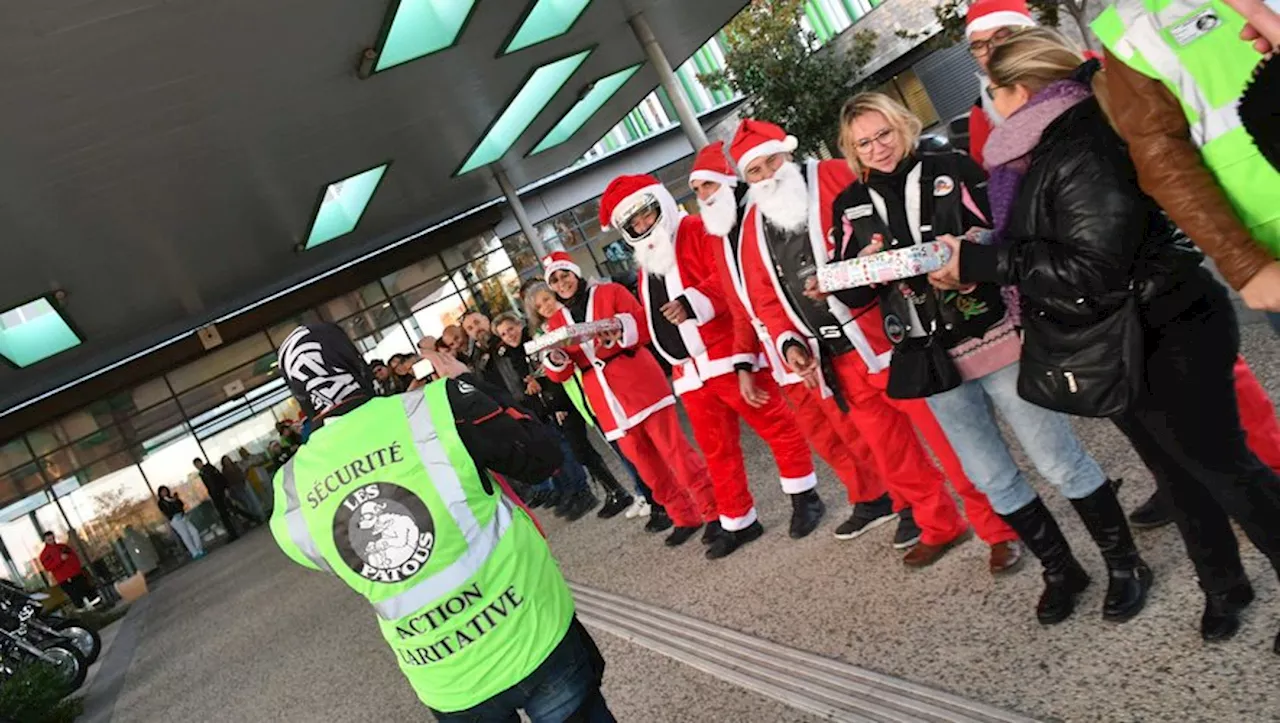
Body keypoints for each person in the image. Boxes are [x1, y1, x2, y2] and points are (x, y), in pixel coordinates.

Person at [931, 28, 1280, 650]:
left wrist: (984, 264)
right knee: (1173, 472)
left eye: (991, 89)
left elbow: (1094, 266)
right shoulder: (1035, 146)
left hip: (1165, 326)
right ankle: (1224, 583)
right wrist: (985, 251)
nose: (987, 104)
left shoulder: (1080, 140)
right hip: (1115, 335)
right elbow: (1057, 241)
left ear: (1017, 90)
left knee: (1226, 470)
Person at [966, 0, 1280, 531]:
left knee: (1222, 427)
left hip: (1160, 289)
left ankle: (1259, 467)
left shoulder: (1090, 86)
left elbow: (1120, 206)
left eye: (1001, 38)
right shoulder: (996, 116)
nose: (990, 51)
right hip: (1121, 302)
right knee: (1185, 447)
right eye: (979, 44)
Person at [832, 92, 1141, 620]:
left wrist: (970, 245)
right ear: (851, 150)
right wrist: (844, 275)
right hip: (929, 358)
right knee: (991, 477)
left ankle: (1124, 563)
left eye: (883, 134)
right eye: (864, 142)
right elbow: (855, 291)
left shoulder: (950, 166)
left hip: (993, 334)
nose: (878, 148)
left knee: (1057, 460)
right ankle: (1061, 569)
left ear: (902, 126)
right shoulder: (848, 205)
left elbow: (1007, 233)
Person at [269, 323, 612, 721]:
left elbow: (329, 557)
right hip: (532, 631)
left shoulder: (290, 488)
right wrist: (470, 383)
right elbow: (543, 456)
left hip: (447, 677)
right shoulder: (440, 404)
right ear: (358, 365)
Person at [730, 118, 1014, 568]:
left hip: (891, 340)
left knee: (951, 442)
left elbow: (890, 228)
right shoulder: (751, 225)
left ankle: (999, 526)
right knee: (896, 457)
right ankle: (939, 523)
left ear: (788, 153)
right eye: (755, 172)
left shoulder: (833, 176)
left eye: (772, 162)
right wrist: (789, 343)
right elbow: (763, 295)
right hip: (836, 361)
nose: (767, 176)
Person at [690, 141, 908, 546]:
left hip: (814, 336)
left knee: (854, 426)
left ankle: (899, 495)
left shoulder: (766, 212)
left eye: (706, 186)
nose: (702, 196)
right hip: (780, 352)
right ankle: (868, 497)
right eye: (697, 190)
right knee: (824, 434)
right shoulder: (722, 237)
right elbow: (742, 306)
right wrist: (743, 364)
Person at [601, 173, 826, 558]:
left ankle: (805, 496)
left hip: (726, 354)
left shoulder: (696, 230)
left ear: (660, 204)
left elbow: (727, 281)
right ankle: (738, 520)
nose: (642, 225)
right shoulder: (645, 264)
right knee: (717, 452)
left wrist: (693, 303)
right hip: (689, 373)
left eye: (645, 215)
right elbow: (653, 320)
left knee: (775, 425)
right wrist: (621, 331)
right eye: (633, 223)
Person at [540, 250, 719, 548]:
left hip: (639, 382)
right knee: (646, 467)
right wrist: (556, 357)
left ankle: (713, 512)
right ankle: (682, 515)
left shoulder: (611, 291)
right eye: (555, 280)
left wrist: (618, 328)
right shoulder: (557, 321)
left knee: (677, 453)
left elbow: (644, 325)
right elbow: (560, 373)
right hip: (606, 400)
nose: (562, 283)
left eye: (565, 275)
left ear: (575, 273)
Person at [524, 282, 664, 529]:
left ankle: (653, 496)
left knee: (636, 449)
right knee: (624, 451)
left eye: (547, 299)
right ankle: (646, 493)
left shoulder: (575, 318)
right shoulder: (544, 335)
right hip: (586, 401)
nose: (545, 306)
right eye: (539, 306)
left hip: (605, 392)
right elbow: (559, 374)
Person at [493, 312, 636, 519]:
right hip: (551, 408)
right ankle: (613, 490)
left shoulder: (536, 341)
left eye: (511, 329)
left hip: (567, 400)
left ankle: (625, 490)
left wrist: (550, 397)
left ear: (519, 324)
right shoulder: (513, 355)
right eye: (504, 335)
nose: (509, 336)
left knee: (594, 445)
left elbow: (553, 372)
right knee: (581, 451)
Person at [193, 457, 256, 540]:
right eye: (196, 465)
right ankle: (239, 528)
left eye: (198, 464)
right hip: (216, 496)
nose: (197, 466)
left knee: (230, 511)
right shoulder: (202, 473)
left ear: (201, 462)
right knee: (228, 512)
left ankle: (240, 528)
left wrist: (225, 489)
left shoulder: (209, 469)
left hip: (220, 493)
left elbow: (220, 478)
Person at [39, 532, 96, 608]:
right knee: (76, 597)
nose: (52, 540)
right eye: (49, 539)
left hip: (76, 574)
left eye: (52, 538)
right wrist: (60, 560)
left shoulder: (63, 547)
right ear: (45, 540)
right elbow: (48, 567)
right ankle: (84, 610)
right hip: (64, 579)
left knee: (88, 591)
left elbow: (74, 557)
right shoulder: (44, 555)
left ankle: (98, 605)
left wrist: (77, 568)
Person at [157, 486, 205, 559]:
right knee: (185, 536)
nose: (164, 492)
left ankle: (199, 549)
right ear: (160, 493)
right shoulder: (161, 502)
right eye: (162, 492)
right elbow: (166, 511)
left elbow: (181, 504)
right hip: (175, 520)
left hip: (182, 517)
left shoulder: (173, 498)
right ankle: (194, 552)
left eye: (165, 490)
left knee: (194, 532)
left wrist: (176, 500)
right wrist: (173, 512)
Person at [222, 454, 266, 523]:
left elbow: (243, 470)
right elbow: (228, 481)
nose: (227, 462)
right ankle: (256, 517)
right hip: (237, 487)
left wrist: (244, 476)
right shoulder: (225, 471)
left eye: (228, 460)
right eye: (225, 461)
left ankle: (261, 516)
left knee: (253, 500)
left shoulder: (235, 465)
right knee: (248, 503)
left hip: (244, 483)